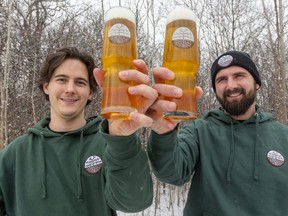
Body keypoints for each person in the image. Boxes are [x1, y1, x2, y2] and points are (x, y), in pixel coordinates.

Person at [0, 47, 156, 216]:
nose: (70, 89)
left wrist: (122, 140)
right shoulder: (15, 154)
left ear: (90, 93)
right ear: (46, 87)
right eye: (61, 80)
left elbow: (135, 202)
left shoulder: (108, 143)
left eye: (80, 82)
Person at [146, 51, 288, 215]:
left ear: (257, 83)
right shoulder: (199, 131)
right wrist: (163, 133)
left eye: (239, 76)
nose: (231, 85)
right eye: (222, 80)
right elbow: (170, 173)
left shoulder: (283, 136)